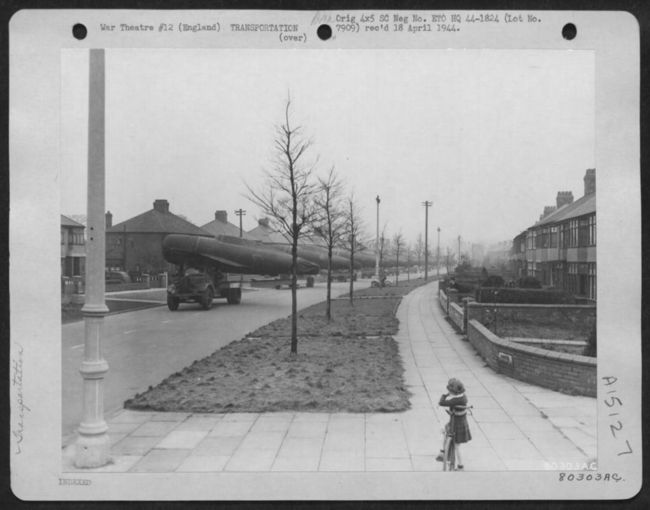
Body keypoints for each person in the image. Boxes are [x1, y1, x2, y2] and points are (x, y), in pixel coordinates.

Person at [436, 377, 472, 470]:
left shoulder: (454, 401)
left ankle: (443, 452)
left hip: (454, 423)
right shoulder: (463, 397)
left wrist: (445, 395)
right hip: (462, 423)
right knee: (457, 445)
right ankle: (460, 466)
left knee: (445, 432)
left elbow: (441, 402)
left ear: (453, 392)